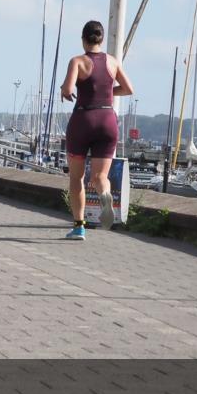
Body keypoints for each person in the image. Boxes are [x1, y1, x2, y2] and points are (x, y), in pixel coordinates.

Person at [61, 20, 134, 240]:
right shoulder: (113, 62)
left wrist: (65, 92)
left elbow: (67, 88)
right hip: (107, 119)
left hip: (84, 118)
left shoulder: (77, 61)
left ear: (83, 39)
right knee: (100, 176)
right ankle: (105, 194)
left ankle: (79, 227)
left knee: (77, 178)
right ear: (101, 39)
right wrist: (109, 94)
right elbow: (129, 89)